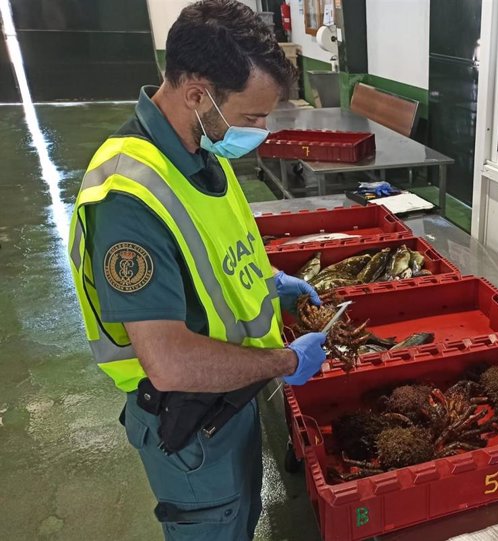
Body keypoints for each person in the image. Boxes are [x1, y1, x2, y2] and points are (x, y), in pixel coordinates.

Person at [67, 1, 327, 539]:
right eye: (253, 117)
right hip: (187, 422)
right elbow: (168, 362)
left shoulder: (204, 152)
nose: (261, 130)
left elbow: (212, 263)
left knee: (242, 518)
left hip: (232, 399)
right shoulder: (128, 200)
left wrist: (271, 284)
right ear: (196, 93)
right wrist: (281, 362)